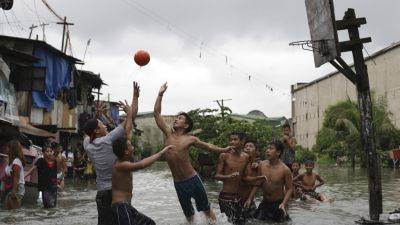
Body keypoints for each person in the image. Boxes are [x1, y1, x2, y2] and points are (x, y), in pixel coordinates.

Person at [154, 82, 232, 223]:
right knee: (189, 216)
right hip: (178, 183)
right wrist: (160, 94)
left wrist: (224, 149)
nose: (176, 119)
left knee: (206, 210)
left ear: (186, 125)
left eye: (180, 118)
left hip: (193, 180)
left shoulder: (190, 138)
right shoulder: (167, 133)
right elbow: (157, 114)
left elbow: (208, 146)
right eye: (176, 117)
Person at [111, 95, 175, 225]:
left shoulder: (123, 159)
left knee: (149, 223)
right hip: (121, 206)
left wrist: (130, 113)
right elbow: (142, 164)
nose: (133, 146)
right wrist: (161, 152)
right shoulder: (121, 165)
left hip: (127, 206)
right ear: (126, 151)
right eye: (131, 146)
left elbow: (128, 130)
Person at [83, 82, 139, 225]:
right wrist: (132, 103)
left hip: (101, 194)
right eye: (102, 124)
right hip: (116, 193)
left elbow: (88, 131)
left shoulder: (88, 145)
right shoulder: (108, 140)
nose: (105, 125)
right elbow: (130, 121)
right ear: (97, 131)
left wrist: (97, 114)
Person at [244, 140, 293, 222]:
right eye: (267, 148)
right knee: (256, 221)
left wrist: (283, 203)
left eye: (271, 148)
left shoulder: (285, 169)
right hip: (265, 202)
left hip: (278, 204)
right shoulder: (262, 165)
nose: (267, 150)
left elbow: (290, 188)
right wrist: (250, 199)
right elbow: (257, 183)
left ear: (278, 152)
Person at [215, 132, 250, 225]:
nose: (232, 142)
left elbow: (245, 178)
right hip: (226, 196)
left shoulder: (246, 157)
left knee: (241, 222)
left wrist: (259, 178)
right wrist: (228, 176)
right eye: (230, 140)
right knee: (230, 222)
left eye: (235, 139)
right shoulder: (224, 155)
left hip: (238, 197)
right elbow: (217, 176)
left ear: (242, 141)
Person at [239, 140, 265, 220]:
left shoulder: (258, 165)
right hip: (236, 199)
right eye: (246, 147)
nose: (247, 148)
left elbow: (257, 184)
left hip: (249, 200)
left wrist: (250, 199)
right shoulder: (239, 162)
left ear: (256, 151)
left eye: (250, 146)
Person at [4, 139, 26, 210]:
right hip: (12, 186)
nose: (6, 148)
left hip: (16, 187)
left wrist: (14, 191)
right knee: (10, 211)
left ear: (11, 149)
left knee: (14, 211)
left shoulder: (16, 162)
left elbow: (16, 177)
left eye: (7, 147)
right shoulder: (12, 161)